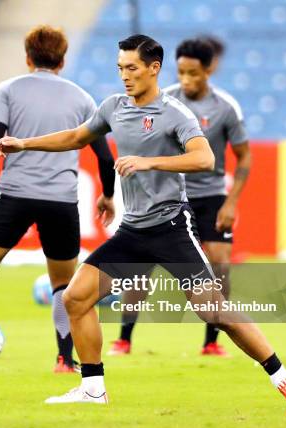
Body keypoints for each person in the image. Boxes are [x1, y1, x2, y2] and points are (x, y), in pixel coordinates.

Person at [0, 34, 286, 409]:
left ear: (153, 68)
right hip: (132, 232)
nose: (125, 76)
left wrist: (149, 161)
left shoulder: (174, 113)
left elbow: (204, 158)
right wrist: (24, 144)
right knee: (76, 298)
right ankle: (93, 389)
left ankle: (284, 378)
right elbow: (78, 136)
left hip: (171, 228)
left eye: (132, 68)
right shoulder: (114, 106)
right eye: (120, 68)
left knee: (214, 310)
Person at [0, 25, 115, 373]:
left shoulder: (9, 90)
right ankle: (63, 360)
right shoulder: (82, 98)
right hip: (61, 201)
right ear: (63, 59)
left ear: (28, 57)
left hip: (14, 195)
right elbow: (105, 157)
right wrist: (108, 195)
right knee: (63, 285)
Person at [108, 38, 251, 356]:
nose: (186, 80)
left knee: (219, 265)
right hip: (171, 196)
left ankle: (211, 342)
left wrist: (231, 202)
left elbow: (244, 157)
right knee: (139, 269)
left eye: (194, 74)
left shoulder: (226, 107)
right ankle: (124, 337)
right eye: (182, 72)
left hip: (212, 196)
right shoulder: (165, 101)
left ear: (209, 70)